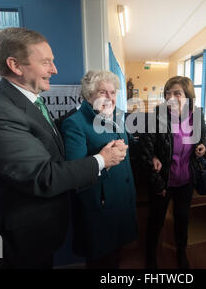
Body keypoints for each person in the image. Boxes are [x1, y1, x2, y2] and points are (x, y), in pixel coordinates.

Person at [0, 27, 127, 269]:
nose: (54, 69)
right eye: (46, 62)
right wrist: (103, 159)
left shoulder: (30, 102)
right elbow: (43, 175)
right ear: (15, 66)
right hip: (7, 245)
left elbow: (46, 135)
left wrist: (88, 115)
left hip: (35, 238)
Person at [60, 70, 137, 269]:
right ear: (88, 95)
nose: (110, 97)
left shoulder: (117, 116)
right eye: (103, 92)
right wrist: (103, 159)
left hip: (121, 199)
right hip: (99, 206)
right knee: (101, 259)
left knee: (116, 255)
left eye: (113, 92)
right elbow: (75, 172)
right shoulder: (75, 123)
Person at [139, 76, 206, 269]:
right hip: (164, 183)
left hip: (186, 181)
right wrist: (158, 184)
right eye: (167, 94)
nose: (171, 98)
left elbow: (205, 135)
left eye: (177, 93)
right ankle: (151, 256)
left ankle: (181, 252)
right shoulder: (156, 117)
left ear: (188, 96)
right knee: (156, 221)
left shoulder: (196, 115)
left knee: (182, 220)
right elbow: (145, 153)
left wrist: (204, 145)